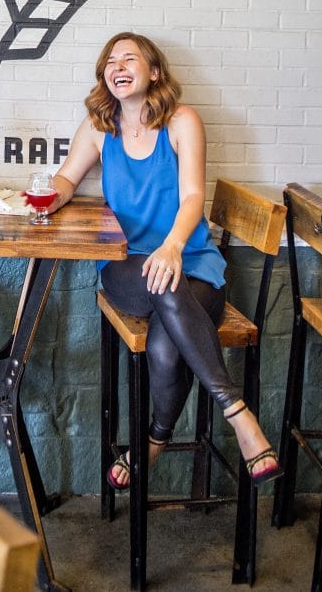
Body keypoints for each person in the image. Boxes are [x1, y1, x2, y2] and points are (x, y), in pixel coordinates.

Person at [45, 31, 282, 489]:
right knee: (161, 282)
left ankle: (154, 440)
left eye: (129, 59)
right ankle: (238, 413)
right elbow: (67, 179)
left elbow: (193, 196)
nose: (117, 66)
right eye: (110, 61)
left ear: (154, 72)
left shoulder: (182, 121)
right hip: (126, 264)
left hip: (191, 260)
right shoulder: (99, 126)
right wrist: (46, 197)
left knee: (164, 342)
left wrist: (172, 247)